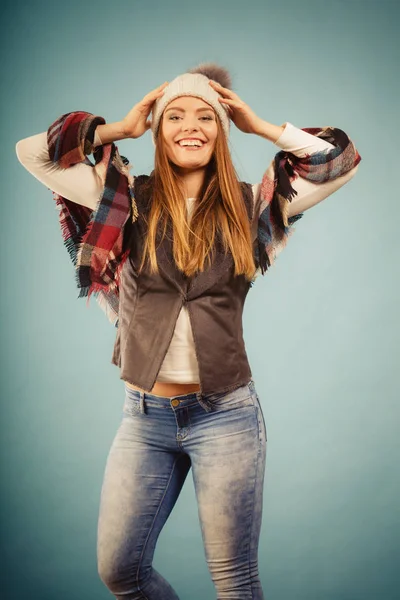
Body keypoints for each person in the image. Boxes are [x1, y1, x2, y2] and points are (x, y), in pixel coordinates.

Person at [16, 63, 361, 600]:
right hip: (144, 417)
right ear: (159, 130)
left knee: (234, 581)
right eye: (174, 115)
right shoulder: (124, 197)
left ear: (222, 129)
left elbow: (337, 162)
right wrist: (116, 130)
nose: (190, 125)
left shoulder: (255, 206)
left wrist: (264, 127)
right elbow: (31, 153)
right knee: (120, 571)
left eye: (206, 115)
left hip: (226, 417)